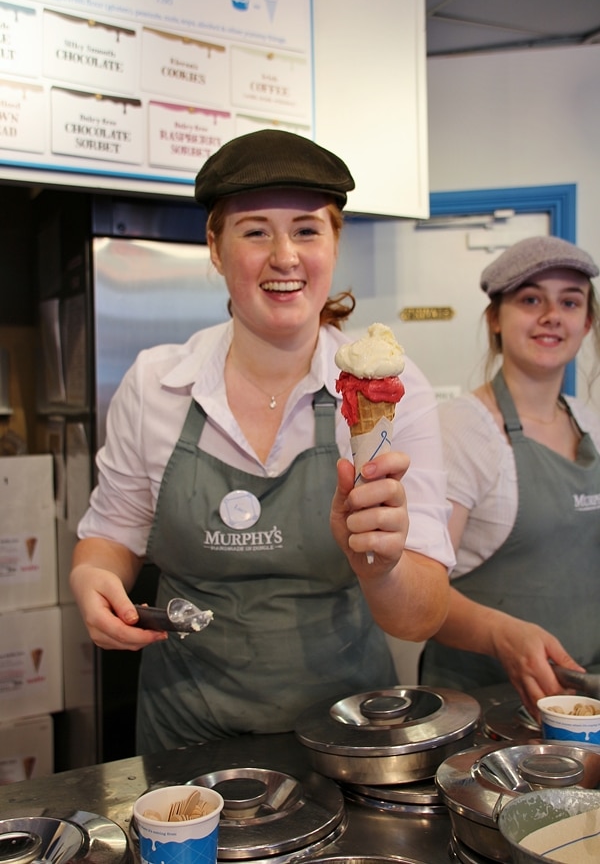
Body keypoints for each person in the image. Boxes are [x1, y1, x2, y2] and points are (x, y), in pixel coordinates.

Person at [70, 129, 454, 753]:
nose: (285, 256)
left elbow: (423, 614)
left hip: (350, 734)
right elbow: (111, 535)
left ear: (334, 244)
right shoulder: (157, 384)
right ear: (215, 249)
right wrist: (92, 577)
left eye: (307, 229)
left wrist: (378, 564)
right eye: (254, 231)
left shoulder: (388, 390)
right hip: (185, 734)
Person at [420, 235, 600, 717]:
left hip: (581, 699)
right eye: (530, 299)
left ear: (586, 322)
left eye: (570, 301)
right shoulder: (462, 429)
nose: (551, 315)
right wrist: (501, 634)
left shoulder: (591, 422)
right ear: (496, 319)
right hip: (484, 704)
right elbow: (419, 596)